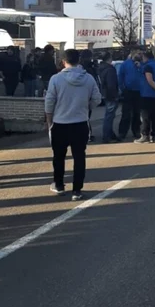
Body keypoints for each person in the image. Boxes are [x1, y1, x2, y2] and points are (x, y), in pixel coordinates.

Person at [45, 48, 102, 200]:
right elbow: (97, 98)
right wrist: (86, 107)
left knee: (58, 157)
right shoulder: (88, 78)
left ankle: (59, 185)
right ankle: (77, 190)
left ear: (63, 61)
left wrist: (49, 120)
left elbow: (49, 101)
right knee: (79, 157)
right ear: (79, 61)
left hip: (60, 123)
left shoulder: (56, 79)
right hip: (80, 122)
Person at [135, 50, 155, 144]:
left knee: (145, 116)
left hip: (147, 94)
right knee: (154, 116)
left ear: (145, 57)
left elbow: (150, 80)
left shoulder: (148, 67)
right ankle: (154, 136)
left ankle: (145, 135)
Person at [118, 50, 142, 141]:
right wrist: (122, 88)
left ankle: (136, 131)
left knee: (137, 113)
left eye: (140, 54)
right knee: (126, 114)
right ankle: (122, 132)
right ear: (133, 54)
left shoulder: (142, 64)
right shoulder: (125, 64)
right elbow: (120, 76)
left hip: (139, 92)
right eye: (138, 53)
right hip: (128, 91)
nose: (139, 55)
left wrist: (140, 67)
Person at [98, 52, 120, 143]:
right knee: (109, 116)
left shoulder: (100, 68)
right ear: (109, 58)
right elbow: (111, 84)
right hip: (110, 95)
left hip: (104, 93)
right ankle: (107, 136)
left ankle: (111, 134)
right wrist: (115, 95)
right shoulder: (110, 69)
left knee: (109, 115)